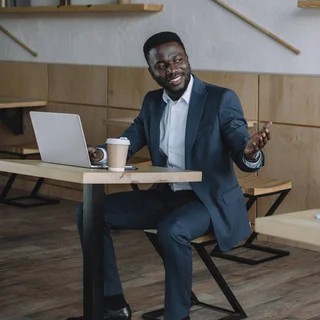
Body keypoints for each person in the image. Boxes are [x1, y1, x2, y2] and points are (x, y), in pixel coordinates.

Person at [68, 31, 272, 320]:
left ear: (187, 58)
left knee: (172, 229)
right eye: (161, 65)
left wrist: (251, 152)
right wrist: (99, 154)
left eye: (177, 60)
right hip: (165, 195)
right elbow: (129, 140)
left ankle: (178, 316)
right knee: (89, 212)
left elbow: (243, 151)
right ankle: (112, 306)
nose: (172, 69)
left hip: (209, 202)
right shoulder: (152, 102)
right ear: (152, 71)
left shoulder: (220, 99)